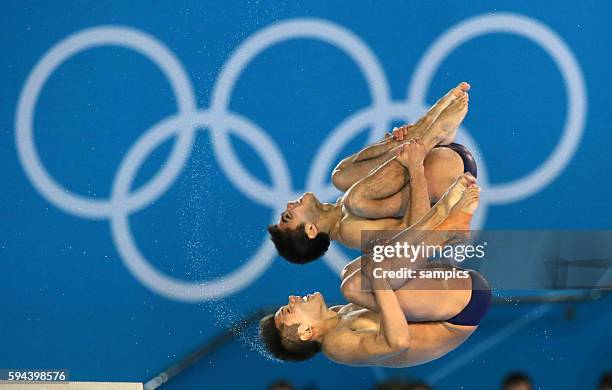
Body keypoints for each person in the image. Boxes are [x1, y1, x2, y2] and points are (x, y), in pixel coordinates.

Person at [259, 182, 492, 366]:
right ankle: (443, 226)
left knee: (351, 275)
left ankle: (442, 227)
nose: (291, 299)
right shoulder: (336, 345)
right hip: (463, 308)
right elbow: (399, 342)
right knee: (355, 286)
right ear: (306, 331)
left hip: (451, 291)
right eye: (289, 309)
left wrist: (378, 261)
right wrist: (379, 275)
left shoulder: (339, 315)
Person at [268, 82, 476, 264]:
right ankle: (432, 133)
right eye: (288, 216)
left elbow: (375, 158)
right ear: (311, 230)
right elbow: (415, 231)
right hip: (447, 173)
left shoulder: (341, 203)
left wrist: (395, 141)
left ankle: (427, 128)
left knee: (340, 176)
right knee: (356, 200)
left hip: (433, 154)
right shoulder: (350, 232)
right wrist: (415, 166)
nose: (288, 205)